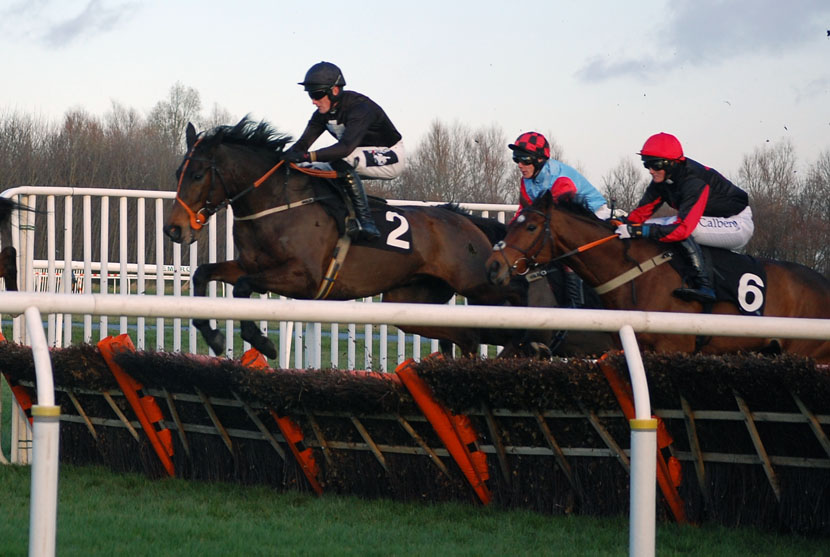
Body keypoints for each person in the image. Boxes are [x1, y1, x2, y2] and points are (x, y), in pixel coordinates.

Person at [616, 132, 754, 303]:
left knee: (679, 228)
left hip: (736, 222)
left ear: (671, 163)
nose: (651, 171)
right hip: (711, 220)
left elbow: (682, 230)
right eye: (647, 164)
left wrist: (639, 231)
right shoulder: (662, 181)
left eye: (655, 164)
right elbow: (638, 217)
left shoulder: (693, 182)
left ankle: (705, 284)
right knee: (651, 225)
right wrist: (617, 227)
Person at [283, 61, 405, 241]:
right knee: (310, 168)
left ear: (335, 90)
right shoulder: (321, 115)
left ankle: (367, 222)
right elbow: (302, 145)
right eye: (310, 94)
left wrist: (310, 155)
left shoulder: (360, 108)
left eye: (317, 94)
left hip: (391, 155)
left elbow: (345, 147)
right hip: (356, 154)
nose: (313, 101)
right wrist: (282, 157)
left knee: (342, 159)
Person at [508, 131, 611, 307]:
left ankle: (576, 306)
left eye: (525, 160)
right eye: (516, 159)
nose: (520, 165)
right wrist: (509, 234)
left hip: (593, 215)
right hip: (568, 218)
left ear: (539, 159)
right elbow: (523, 212)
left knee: (567, 254)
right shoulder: (526, 180)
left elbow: (559, 217)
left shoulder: (560, 178)